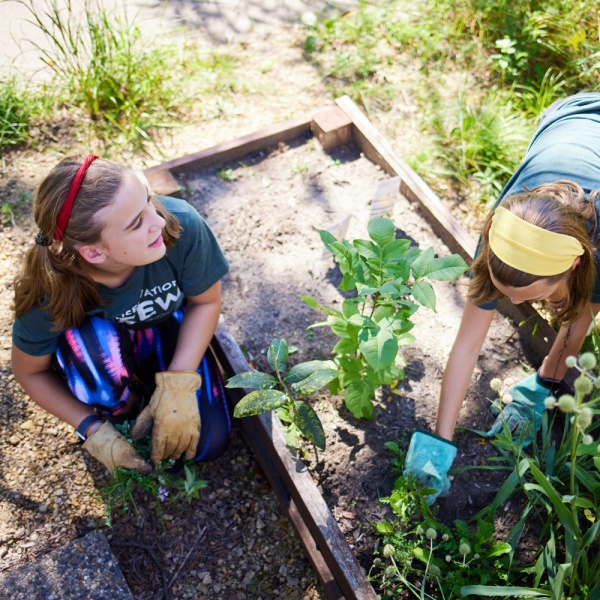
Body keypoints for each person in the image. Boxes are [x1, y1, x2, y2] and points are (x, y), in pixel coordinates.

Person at [404, 94, 600, 503]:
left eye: (527, 296)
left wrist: (547, 381)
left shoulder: (595, 258)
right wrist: (440, 441)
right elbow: (467, 344)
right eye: (502, 290)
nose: (506, 301)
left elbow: (582, 312)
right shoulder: (502, 233)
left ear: (574, 266)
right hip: (569, 116)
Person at [11, 155, 231, 474]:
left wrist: (179, 384)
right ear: (95, 252)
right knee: (90, 352)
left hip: (168, 328)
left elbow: (206, 303)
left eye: (147, 200)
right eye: (136, 223)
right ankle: (120, 411)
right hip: (103, 352)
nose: (156, 220)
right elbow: (29, 371)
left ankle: (156, 394)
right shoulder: (51, 288)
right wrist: (91, 429)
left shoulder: (179, 224)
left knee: (209, 444)